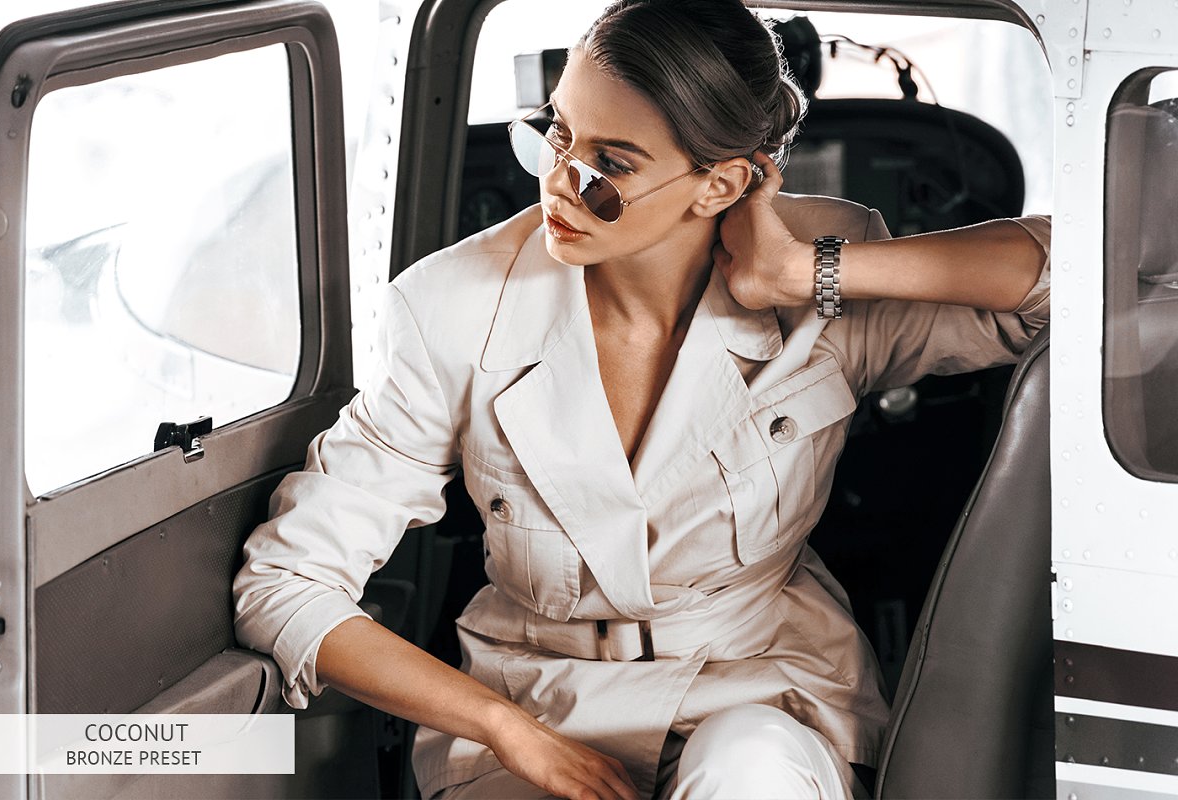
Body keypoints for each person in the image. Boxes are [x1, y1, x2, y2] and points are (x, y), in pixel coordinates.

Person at [233, 0, 1050, 797]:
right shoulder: (452, 305)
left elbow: (1076, 279)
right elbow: (286, 583)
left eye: (611, 167)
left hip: (760, 689)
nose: (558, 186)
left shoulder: (822, 275)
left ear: (718, 185)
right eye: (556, 133)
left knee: (750, 769)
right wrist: (506, 728)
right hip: (537, 702)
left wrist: (802, 272)